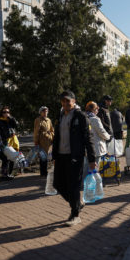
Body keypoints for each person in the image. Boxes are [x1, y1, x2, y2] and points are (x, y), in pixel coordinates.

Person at [52, 90, 96, 226]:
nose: (65, 103)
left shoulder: (80, 117)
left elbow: (88, 139)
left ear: (74, 101)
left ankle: (75, 215)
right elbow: (57, 137)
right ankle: (77, 203)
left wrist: (92, 159)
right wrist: (54, 155)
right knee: (57, 184)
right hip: (60, 156)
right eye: (63, 101)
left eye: (68, 101)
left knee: (73, 185)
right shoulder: (60, 116)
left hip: (74, 157)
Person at [0, 106, 18, 179]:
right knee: (6, 158)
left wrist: (11, 118)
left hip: (13, 140)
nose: (6, 113)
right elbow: (1, 133)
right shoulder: (0, 121)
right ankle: (4, 174)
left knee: (13, 156)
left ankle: (10, 173)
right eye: (4, 112)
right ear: (2, 113)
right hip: (6, 140)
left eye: (7, 112)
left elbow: (16, 125)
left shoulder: (11, 119)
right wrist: (4, 142)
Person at [33, 106, 54, 177]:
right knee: (42, 156)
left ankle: (45, 171)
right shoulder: (38, 120)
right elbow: (36, 131)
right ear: (40, 112)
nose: (45, 112)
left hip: (49, 140)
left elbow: (52, 129)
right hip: (42, 140)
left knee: (48, 156)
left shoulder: (49, 120)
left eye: (46, 111)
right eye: (44, 111)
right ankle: (43, 172)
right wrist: (36, 141)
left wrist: (52, 137)